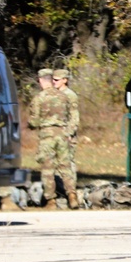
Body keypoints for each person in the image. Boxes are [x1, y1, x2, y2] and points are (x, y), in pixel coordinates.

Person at [28, 68, 77, 209]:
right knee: (65, 166)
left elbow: (34, 122)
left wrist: (32, 125)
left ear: (41, 80)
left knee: (48, 169)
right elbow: (71, 116)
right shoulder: (64, 96)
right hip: (62, 134)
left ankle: (51, 200)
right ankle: (72, 195)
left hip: (47, 135)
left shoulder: (39, 98)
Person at [52, 68, 79, 204]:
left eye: (56, 80)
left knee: (68, 163)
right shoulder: (54, 94)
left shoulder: (70, 95)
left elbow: (74, 117)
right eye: (53, 79)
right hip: (55, 135)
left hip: (67, 135)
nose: (53, 82)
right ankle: (60, 191)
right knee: (56, 164)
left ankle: (71, 193)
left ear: (65, 80)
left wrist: (69, 133)